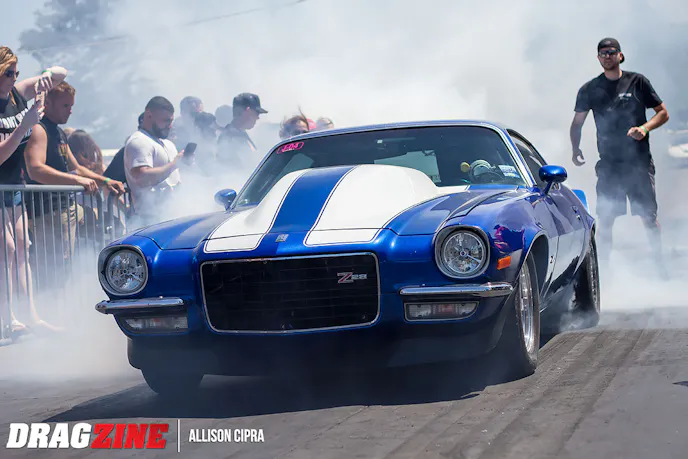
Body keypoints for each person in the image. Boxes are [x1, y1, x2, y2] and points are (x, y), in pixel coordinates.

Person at [570, 37, 670, 272]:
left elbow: (663, 113)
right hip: (609, 165)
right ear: (598, 58)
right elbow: (577, 123)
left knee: (648, 217)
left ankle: (660, 267)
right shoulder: (589, 89)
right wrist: (575, 148)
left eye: (611, 52)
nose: (607, 56)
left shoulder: (637, 82)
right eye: (603, 53)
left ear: (620, 55)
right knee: (606, 220)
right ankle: (603, 272)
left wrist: (644, 128)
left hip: (639, 164)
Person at [23, 82, 125, 290]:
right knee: (54, 268)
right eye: (65, 106)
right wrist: (77, 181)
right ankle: (52, 304)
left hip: (61, 210)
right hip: (48, 211)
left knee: (64, 265)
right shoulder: (39, 130)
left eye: (71, 106)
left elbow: (76, 168)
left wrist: (105, 181)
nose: (70, 111)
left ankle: (61, 301)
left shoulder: (58, 133)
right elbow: (36, 169)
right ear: (48, 103)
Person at [0, 45, 67, 334]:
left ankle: (31, 316)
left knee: (22, 249)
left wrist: (47, 75)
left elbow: (61, 74)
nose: (14, 78)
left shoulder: (17, 93)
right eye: (8, 73)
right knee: (7, 250)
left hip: (14, 186)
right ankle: (8, 317)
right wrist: (24, 126)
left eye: (16, 73)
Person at [123, 96, 185, 228]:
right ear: (149, 115)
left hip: (172, 215)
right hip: (150, 220)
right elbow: (142, 177)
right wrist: (174, 164)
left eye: (171, 121)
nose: (170, 125)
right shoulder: (139, 141)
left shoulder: (167, 143)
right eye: (165, 120)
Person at [216, 93, 267, 168]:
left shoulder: (239, 134)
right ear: (247, 111)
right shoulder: (230, 137)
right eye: (256, 113)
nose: (257, 118)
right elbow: (230, 168)